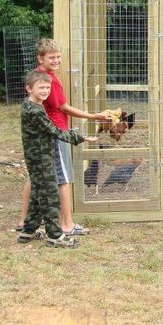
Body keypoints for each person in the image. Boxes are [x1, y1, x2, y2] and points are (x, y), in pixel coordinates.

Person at [16, 38, 109, 236]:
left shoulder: (38, 77)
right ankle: (66, 224)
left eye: (59, 57)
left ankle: (24, 221)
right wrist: (93, 116)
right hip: (56, 132)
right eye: (52, 57)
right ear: (40, 58)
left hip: (43, 135)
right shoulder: (48, 80)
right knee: (63, 178)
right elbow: (62, 107)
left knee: (35, 177)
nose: (57, 60)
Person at [18, 70, 97, 248]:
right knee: (50, 196)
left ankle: (28, 231)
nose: (46, 91)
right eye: (41, 87)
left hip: (38, 157)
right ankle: (55, 236)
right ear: (29, 88)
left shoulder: (32, 106)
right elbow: (53, 131)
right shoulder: (35, 111)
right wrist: (80, 138)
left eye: (48, 87)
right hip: (41, 159)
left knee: (38, 194)